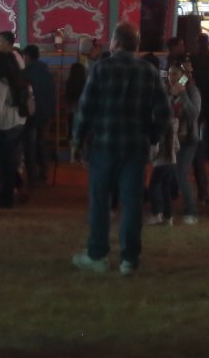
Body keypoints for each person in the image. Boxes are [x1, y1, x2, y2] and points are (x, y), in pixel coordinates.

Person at [72, 24, 171, 275]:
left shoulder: (100, 69)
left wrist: (77, 141)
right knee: (132, 203)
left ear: (115, 42)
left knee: (100, 202)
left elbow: (85, 109)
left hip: (103, 145)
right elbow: (164, 112)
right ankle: (129, 259)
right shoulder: (149, 71)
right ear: (136, 45)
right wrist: (152, 137)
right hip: (135, 147)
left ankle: (97, 255)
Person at [153, 56, 202, 225]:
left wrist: (182, 94)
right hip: (170, 139)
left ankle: (191, 211)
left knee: (181, 174)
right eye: (170, 74)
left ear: (183, 76)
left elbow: (194, 113)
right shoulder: (166, 90)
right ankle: (162, 210)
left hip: (187, 139)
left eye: (176, 74)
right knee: (165, 175)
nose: (172, 77)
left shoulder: (192, 91)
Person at [0, 43, 31, 208]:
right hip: (19, 125)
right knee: (11, 164)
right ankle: (7, 198)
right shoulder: (20, 80)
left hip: (4, 128)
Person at [20, 44, 56, 185]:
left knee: (30, 144)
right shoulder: (46, 70)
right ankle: (45, 171)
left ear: (27, 57)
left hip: (32, 113)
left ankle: (32, 175)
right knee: (42, 142)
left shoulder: (25, 72)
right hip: (47, 112)